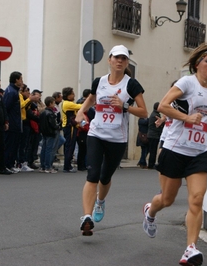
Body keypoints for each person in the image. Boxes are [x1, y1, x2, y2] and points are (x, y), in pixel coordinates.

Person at [141, 42, 207, 266]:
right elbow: (163, 106)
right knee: (167, 199)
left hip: (200, 151)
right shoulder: (186, 82)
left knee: (196, 198)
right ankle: (150, 210)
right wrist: (186, 118)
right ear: (197, 64)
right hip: (176, 149)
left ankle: (190, 249)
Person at [76, 44, 148, 236]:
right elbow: (91, 99)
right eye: (116, 57)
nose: (119, 61)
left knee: (105, 177)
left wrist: (124, 107)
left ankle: (100, 202)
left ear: (126, 63)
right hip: (96, 133)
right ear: (109, 60)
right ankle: (86, 216)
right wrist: (81, 111)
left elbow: (143, 112)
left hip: (117, 138)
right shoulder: (99, 82)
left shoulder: (131, 84)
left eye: (123, 58)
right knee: (92, 175)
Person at [61, 87, 82, 173]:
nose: (74, 95)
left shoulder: (67, 103)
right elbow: (80, 106)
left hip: (70, 127)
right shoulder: (67, 104)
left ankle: (68, 164)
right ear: (68, 95)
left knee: (70, 146)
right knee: (70, 146)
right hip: (70, 127)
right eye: (72, 94)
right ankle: (67, 166)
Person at [39, 96, 60, 173]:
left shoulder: (43, 112)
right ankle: (48, 166)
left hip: (44, 133)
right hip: (51, 133)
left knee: (44, 149)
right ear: (50, 103)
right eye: (53, 103)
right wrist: (58, 126)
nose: (54, 105)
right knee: (49, 150)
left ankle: (43, 166)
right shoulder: (51, 113)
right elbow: (53, 125)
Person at [147, 102, 164, 169]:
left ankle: (151, 164)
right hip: (154, 135)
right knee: (153, 151)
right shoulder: (156, 116)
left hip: (151, 134)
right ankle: (151, 164)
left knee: (152, 150)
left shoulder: (153, 114)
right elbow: (159, 126)